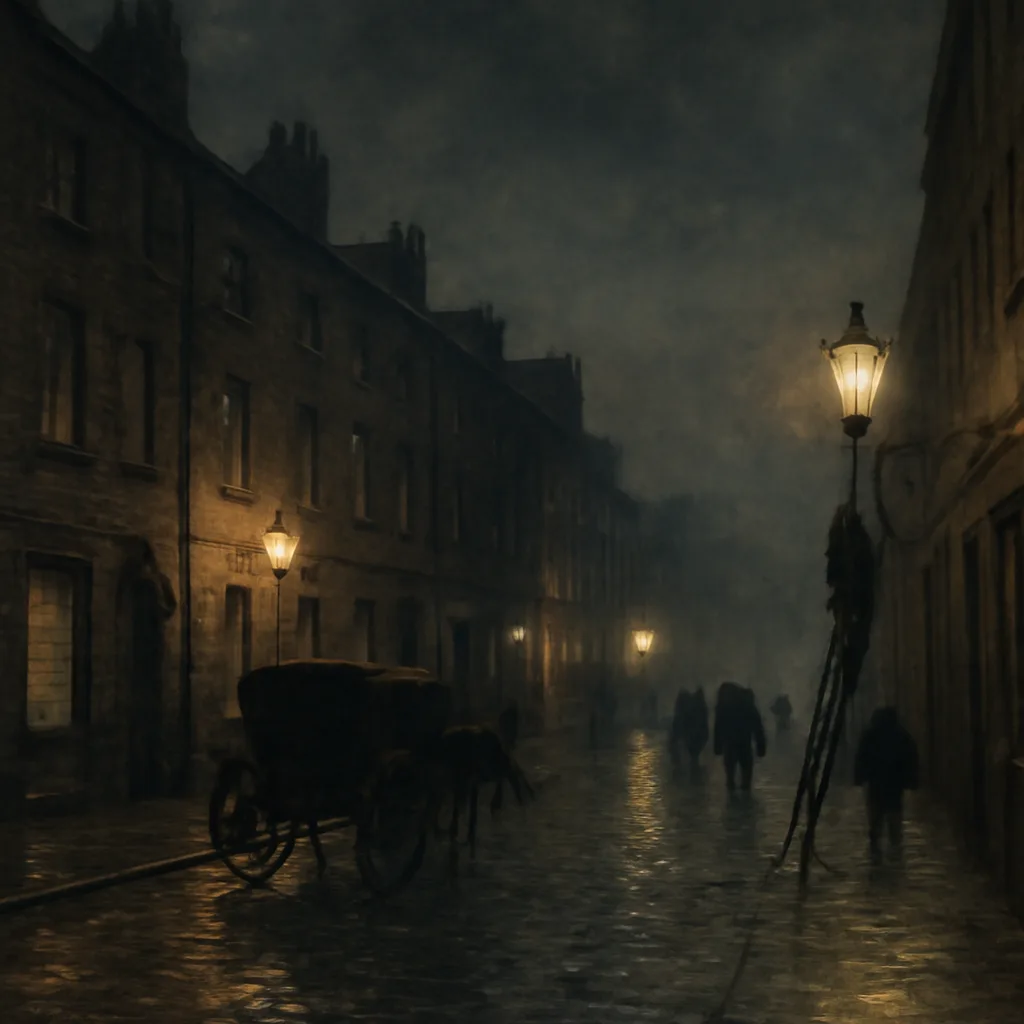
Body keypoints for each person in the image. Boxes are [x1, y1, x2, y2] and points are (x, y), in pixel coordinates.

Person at [854, 706, 919, 864]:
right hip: (893, 785)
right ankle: (893, 851)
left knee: (876, 817)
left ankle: (877, 848)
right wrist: (912, 780)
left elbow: (861, 757)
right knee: (893, 818)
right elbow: (911, 758)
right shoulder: (901, 735)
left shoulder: (870, 735)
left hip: (877, 784)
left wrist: (859, 777)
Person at [713, 682, 766, 792]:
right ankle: (744, 798)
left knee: (731, 778)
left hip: (731, 745)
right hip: (743, 744)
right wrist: (761, 746)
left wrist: (718, 746)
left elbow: (718, 727)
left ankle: (734, 800)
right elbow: (757, 726)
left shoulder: (723, 704)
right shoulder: (747, 703)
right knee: (745, 777)